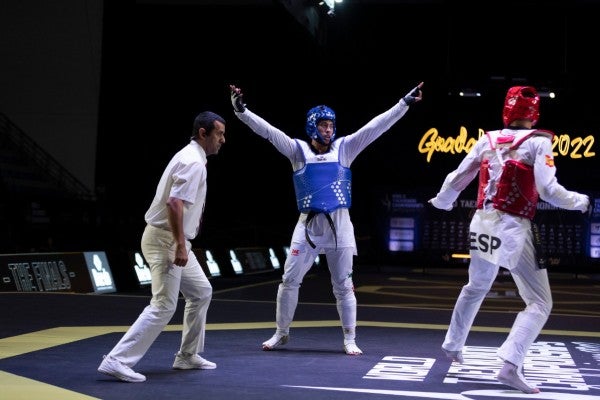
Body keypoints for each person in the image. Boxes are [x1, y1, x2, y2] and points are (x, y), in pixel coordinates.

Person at [229, 82, 423, 355]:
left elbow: (376, 127)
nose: (329, 130)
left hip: (340, 226)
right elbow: (268, 132)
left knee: (344, 286)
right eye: (323, 125)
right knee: (289, 280)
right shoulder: (297, 150)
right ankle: (281, 333)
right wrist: (242, 112)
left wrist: (403, 104)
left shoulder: (345, 148)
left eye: (331, 125)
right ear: (312, 126)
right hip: (307, 226)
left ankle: (350, 338)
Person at [428, 86, 590, 393]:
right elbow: (548, 190)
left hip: (481, 222)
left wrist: (442, 201)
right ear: (534, 113)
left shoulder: (487, 140)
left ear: (507, 109)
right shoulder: (539, 141)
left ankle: (453, 344)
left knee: (476, 286)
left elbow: (458, 177)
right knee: (539, 301)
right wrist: (581, 201)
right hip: (513, 226)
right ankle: (510, 366)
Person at [97, 111, 226, 382]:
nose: (223, 140)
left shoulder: (191, 157)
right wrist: (180, 245)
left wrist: (182, 242)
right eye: (219, 134)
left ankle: (187, 355)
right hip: (166, 240)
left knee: (201, 292)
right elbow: (174, 203)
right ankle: (117, 360)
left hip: (173, 239)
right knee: (164, 305)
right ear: (203, 133)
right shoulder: (193, 162)